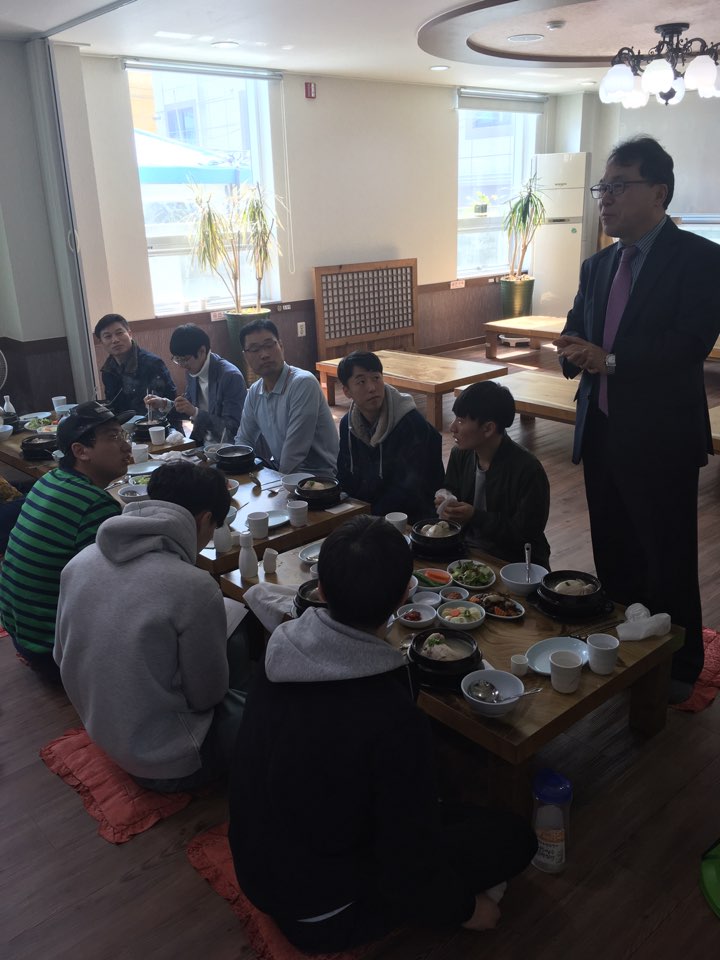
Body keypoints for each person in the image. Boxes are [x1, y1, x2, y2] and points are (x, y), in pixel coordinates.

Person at [228, 515, 537, 954]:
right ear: (404, 595)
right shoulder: (390, 714)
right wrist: (465, 909)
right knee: (514, 839)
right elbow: (406, 859)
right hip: (324, 912)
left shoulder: (282, 650)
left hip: (258, 869)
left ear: (321, 591)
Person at [554, 136, 720, 703]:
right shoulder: (598, 264)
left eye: (619, 186)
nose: (605, 198)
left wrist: (610, 360)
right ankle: (624, 647)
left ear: (659, 192)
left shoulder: (699, 259)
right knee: (614, 549)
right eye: (603, 187)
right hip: (601, 431)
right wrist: (572, 352)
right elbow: (575, 327)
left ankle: (680, 666)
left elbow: (688, 344)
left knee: (667, 554)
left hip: (660, 438)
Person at [54, 460, 251, 791]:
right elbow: (207, 696)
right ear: (204, 520)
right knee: (275, 715)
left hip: (102, 731)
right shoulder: (193, 587)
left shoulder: (80, 562)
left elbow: (61, 656)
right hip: (166, 762)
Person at [0, 401, 132, 681]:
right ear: (80, 451)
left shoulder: (50, 480)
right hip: (55, 652)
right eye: (113, 437)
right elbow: (117, 589)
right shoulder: (94, 504)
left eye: (123, 434)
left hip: (24, 636)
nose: (126, 445)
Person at [438, 381, 550, 569]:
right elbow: (451, 488)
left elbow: (526, 533)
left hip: (515, 562)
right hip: (467, 551)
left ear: (488, 428)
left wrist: (475, 516)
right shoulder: (461, 454)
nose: (452, 427)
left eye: (461, 421)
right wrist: (446, 500)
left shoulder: (528, 469)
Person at [336, 351, 444, 521]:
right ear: (347, 391)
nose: (372, 388)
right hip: (369, 513)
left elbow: (410, 488)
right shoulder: (347, 424)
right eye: (361, 381)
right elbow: (344, 474)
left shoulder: (410, 424)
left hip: (414, 517)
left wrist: (367, 516)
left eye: (376, 378)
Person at [234, 318, 338, 474]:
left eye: (269, 345)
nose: (264, 354)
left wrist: (278, 485)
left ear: (281, 346)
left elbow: (294, 453)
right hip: (283, 472)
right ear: (245, 357)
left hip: (320, 477)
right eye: (255, 349)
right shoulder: (255, 392)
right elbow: (244, 440)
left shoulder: (303, 383)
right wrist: (234, 469)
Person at [144, 323, 247, 444]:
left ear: (202, 351)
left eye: (185, 359)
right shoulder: (193, 371)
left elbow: (232, 429)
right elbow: (187, 408)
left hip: (228, 447)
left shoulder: (230, 377)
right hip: (201, 443)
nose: (181, 365)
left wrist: (195, 412)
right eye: (177, 359)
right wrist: (164, 404)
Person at [94, 313, 179, 421]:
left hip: (158, 426)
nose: (115, 340)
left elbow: (169, 406)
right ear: (101, 342)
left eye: (119, 333)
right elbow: (113, 407)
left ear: (130, 334)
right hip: (124, 427)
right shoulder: (108, 370)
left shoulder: (152, 364)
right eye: (108, 336)